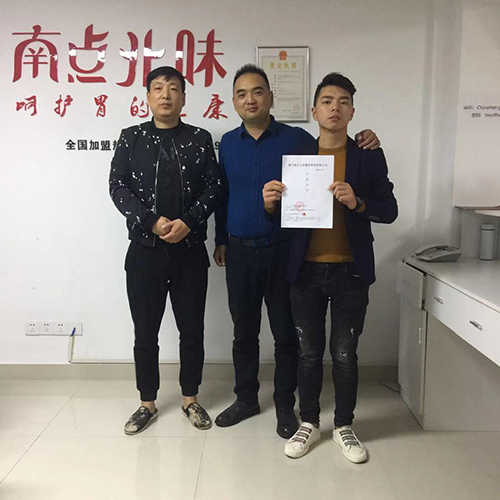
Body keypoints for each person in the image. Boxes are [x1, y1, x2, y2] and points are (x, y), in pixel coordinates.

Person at [213, 64, 380, 439]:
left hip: (283, 251)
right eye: (242, 94)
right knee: (243, 332)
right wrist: (220, 238)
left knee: (286, 335)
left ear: (271, 98)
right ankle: (245, 399)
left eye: (258, 92)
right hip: (239, 251)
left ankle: (285, 405)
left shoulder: (299, 140)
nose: (250, 99)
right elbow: (223, 196)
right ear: (234, 102)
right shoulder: (228, 143)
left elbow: (335, 147)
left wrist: (367, 137)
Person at [263, 72, 397, 461]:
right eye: (327, 101)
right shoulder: (300, 158)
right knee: (308, 353)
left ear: (352, 111)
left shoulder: (367, 155)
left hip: (350, 271)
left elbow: (389, 210)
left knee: (344, 353)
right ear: (314, 111)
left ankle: (343, 425)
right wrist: (270, 204)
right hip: (304, 270)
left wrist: (358, 202)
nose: (334, 107)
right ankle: (308, 421)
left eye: (343, 101)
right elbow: (286, 218)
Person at [109, 66, 224, 435]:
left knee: (192, 330)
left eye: (173, 88)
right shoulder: (131, 138)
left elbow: (214, 187)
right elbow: (117, 186)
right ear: (147, 97)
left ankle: (190, 398)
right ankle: (147, 402)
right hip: (145, 251)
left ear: (184, 97)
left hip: (189, 251)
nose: (165, 95)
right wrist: (150, 221)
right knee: (145, 332)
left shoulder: (200, 138)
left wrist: (189, 221)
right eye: (157, 88)